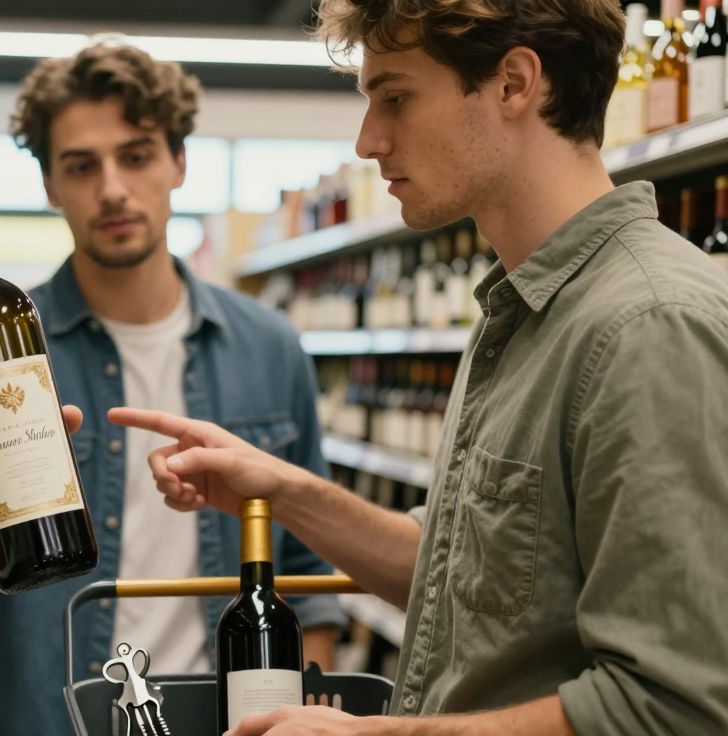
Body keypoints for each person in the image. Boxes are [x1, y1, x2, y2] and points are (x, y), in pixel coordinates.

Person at [110, 0, 728, 734]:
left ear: (514, 84)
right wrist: (286, 490)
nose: (369, 141)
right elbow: (458, 578)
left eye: (396, 98)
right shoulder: (519, 312)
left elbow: (674, 708)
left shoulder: (648, 328)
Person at [0, 42, 346, 735]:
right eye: (81, 165)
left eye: (135, 156)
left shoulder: (270, 347)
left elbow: (309, 573)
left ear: (178, 163)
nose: (111, 188)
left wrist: (296, 717)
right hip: (43, 720)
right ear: (50, 185)